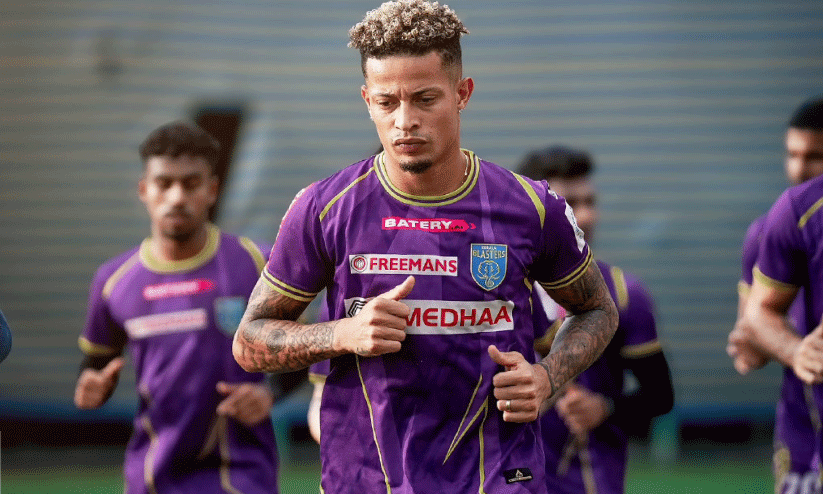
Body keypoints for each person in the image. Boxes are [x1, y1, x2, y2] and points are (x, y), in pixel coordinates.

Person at [232, 1, 618, 492]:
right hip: (366, 480)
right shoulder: (323, 208)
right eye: (387, 102)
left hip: (499, 477)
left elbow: (597, 310)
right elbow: (249, 342)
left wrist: (546, 378)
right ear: (366, 100)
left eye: (424, 99)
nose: (404, 120)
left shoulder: (531, 207)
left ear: (462, 93)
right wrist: (343, 333)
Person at [74, 121, 285, 494]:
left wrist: (269, 393)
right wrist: (92, 387)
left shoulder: (258, 263)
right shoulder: (114, 281)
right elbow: (96, 364)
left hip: (240, 476)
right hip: (152, 476)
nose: (176, 197)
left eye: (190, 183)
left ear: (212, 190)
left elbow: (306, 349)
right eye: (164, 183)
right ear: (144, 190)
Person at [517, 146, 674, 494]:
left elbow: (660, 395)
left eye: (590, 202)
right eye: (570, 204)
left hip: (589, 481)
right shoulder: (497, 291)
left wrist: (605, 407)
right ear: (531, 211)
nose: (586, 217)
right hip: (505, 479)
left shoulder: (623, 293)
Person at [727, 97, 823, 492]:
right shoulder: (770, 230)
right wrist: (795, 349)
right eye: (792, 155)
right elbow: (748, 347)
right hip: (802, 421)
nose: (799, 169)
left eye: (814, 157)